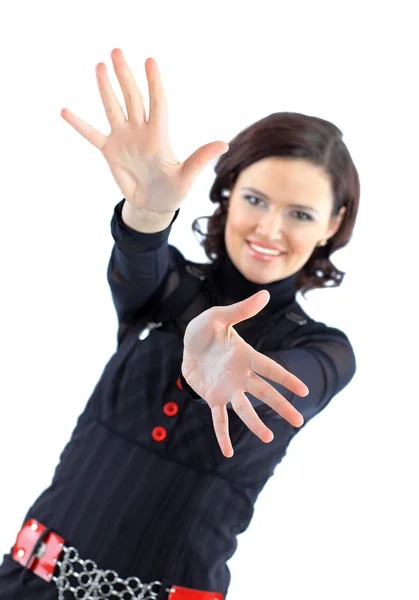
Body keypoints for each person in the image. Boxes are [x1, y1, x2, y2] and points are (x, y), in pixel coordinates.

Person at [0, 48, 360, 600]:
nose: (269, 228)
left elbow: (295, 384)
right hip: (26, 581)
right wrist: (146, 213)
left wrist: (227, 362)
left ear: (332, 225)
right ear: (228, 191)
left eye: (300, 213)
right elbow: (137, 259)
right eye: (256, 199)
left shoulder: (320, 349)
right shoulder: (165, 287)